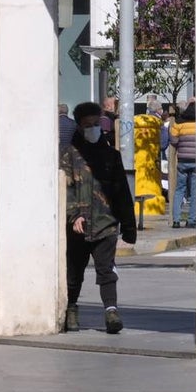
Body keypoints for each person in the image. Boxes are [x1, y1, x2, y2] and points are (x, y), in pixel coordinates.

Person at [60, 102, 137, 334]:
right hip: (78, 226)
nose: (93, 128)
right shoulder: (70, 155)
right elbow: (66, 188)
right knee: (74, 272)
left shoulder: (111, 156)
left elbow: (122, 191)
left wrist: (129, 225)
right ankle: (71, 309)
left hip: (106, 224)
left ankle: (111, 312)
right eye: (88, 125)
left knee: (107, 271)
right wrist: (73, 216)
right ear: (79, 126)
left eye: (96, 124)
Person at [170, 100, 196, 228]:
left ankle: (176, 219)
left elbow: (173, 141)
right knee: (194, 191)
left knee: (179, 190)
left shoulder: (179, 123)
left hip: (182, 161)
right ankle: (192, 220)